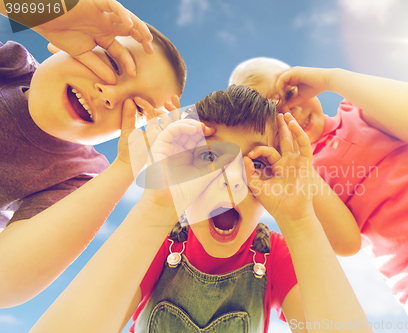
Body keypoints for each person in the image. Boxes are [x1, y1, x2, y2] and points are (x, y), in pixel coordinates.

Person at [28, 85, 372, 333]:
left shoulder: (277, 258)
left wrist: (300, 221)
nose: (231, 183)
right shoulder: (159, 245)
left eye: (258, 164)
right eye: (209, 159)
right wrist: (156, 208)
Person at [230, 58, 408, 332]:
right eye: (273, 113)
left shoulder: (359, 113)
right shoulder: (305, 175)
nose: (292, 110)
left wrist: (330, 79)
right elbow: (346, 241)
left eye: (290, 94)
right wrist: (299, 163)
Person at [0, 0, 186, 307]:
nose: (111, 95)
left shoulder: (78, 177)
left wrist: (126, 167)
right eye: (113, 64)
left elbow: (6, 283)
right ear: (60, 45)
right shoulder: (10, 64)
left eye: (138, 108)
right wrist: (41, 10)